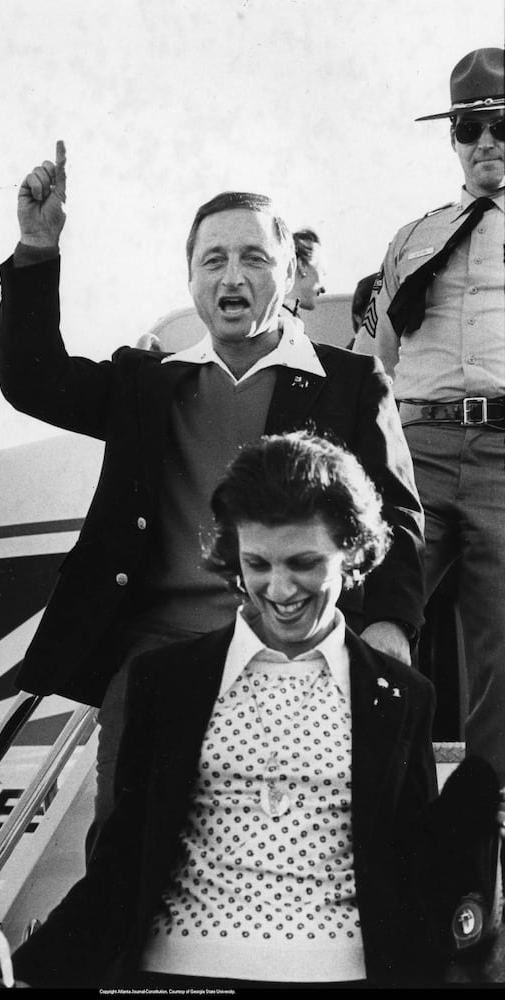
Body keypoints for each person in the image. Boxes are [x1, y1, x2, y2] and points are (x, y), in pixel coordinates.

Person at [0, 145, 425, 839]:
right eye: (213, 259)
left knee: (283, 850)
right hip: (158, 652)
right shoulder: (146, 381)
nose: (232, 275)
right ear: (191, 276)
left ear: (288, 273)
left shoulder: (350, 383)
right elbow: (32, 378)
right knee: (130, 852)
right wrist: (37, 248)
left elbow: (397, 515)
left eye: (254, 258)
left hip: (295, 644)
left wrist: (391, 623)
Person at [5, 433, 504, 989]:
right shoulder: (166, 681)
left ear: (352, 551)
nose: (280, 588)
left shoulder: (402, 696)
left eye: (304, 563)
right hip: (181, 979)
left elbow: (409, 881)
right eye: (257, 564)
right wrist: (28, 973)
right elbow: (119, 870)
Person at [353, 47, 505, 785]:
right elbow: (371, 358)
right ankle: (388, 796)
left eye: (502, 125)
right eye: (469, 128)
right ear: (453, 139)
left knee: (502, 643)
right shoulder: (413, 238)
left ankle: (485, 808)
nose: (486, 142)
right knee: (374, 615)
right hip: (415, 452)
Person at [283, 227, 326, 316]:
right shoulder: (281, 320)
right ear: (302, 265)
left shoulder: (284, 316)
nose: (323, 290)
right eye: (321, 271)